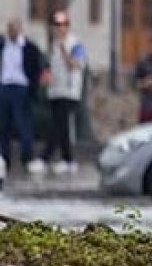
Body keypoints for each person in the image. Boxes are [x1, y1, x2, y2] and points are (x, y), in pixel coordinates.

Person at [1, 19, 49, 176]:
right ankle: (4, 157)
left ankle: (27, 157)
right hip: (4, 87)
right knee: (3, 125)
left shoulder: (29, 48)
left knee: (23, 124)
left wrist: (34, 86)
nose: (12, 32)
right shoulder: (3, 46)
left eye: (15, 29)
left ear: (20, 30)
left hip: (21, 87)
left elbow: (38, 68)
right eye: (10, 29)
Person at [43, 10, 87, 174]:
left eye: (62, 25)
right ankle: (67, 159)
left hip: (69, 91)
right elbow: (52, 67)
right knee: (61, 126)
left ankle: (48, 157)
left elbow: (76, 65)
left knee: (59, 124)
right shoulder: (52, 45)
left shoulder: (75, 44)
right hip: (55, 89)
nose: (59, 28)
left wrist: (63, 50)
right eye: (56, 25)